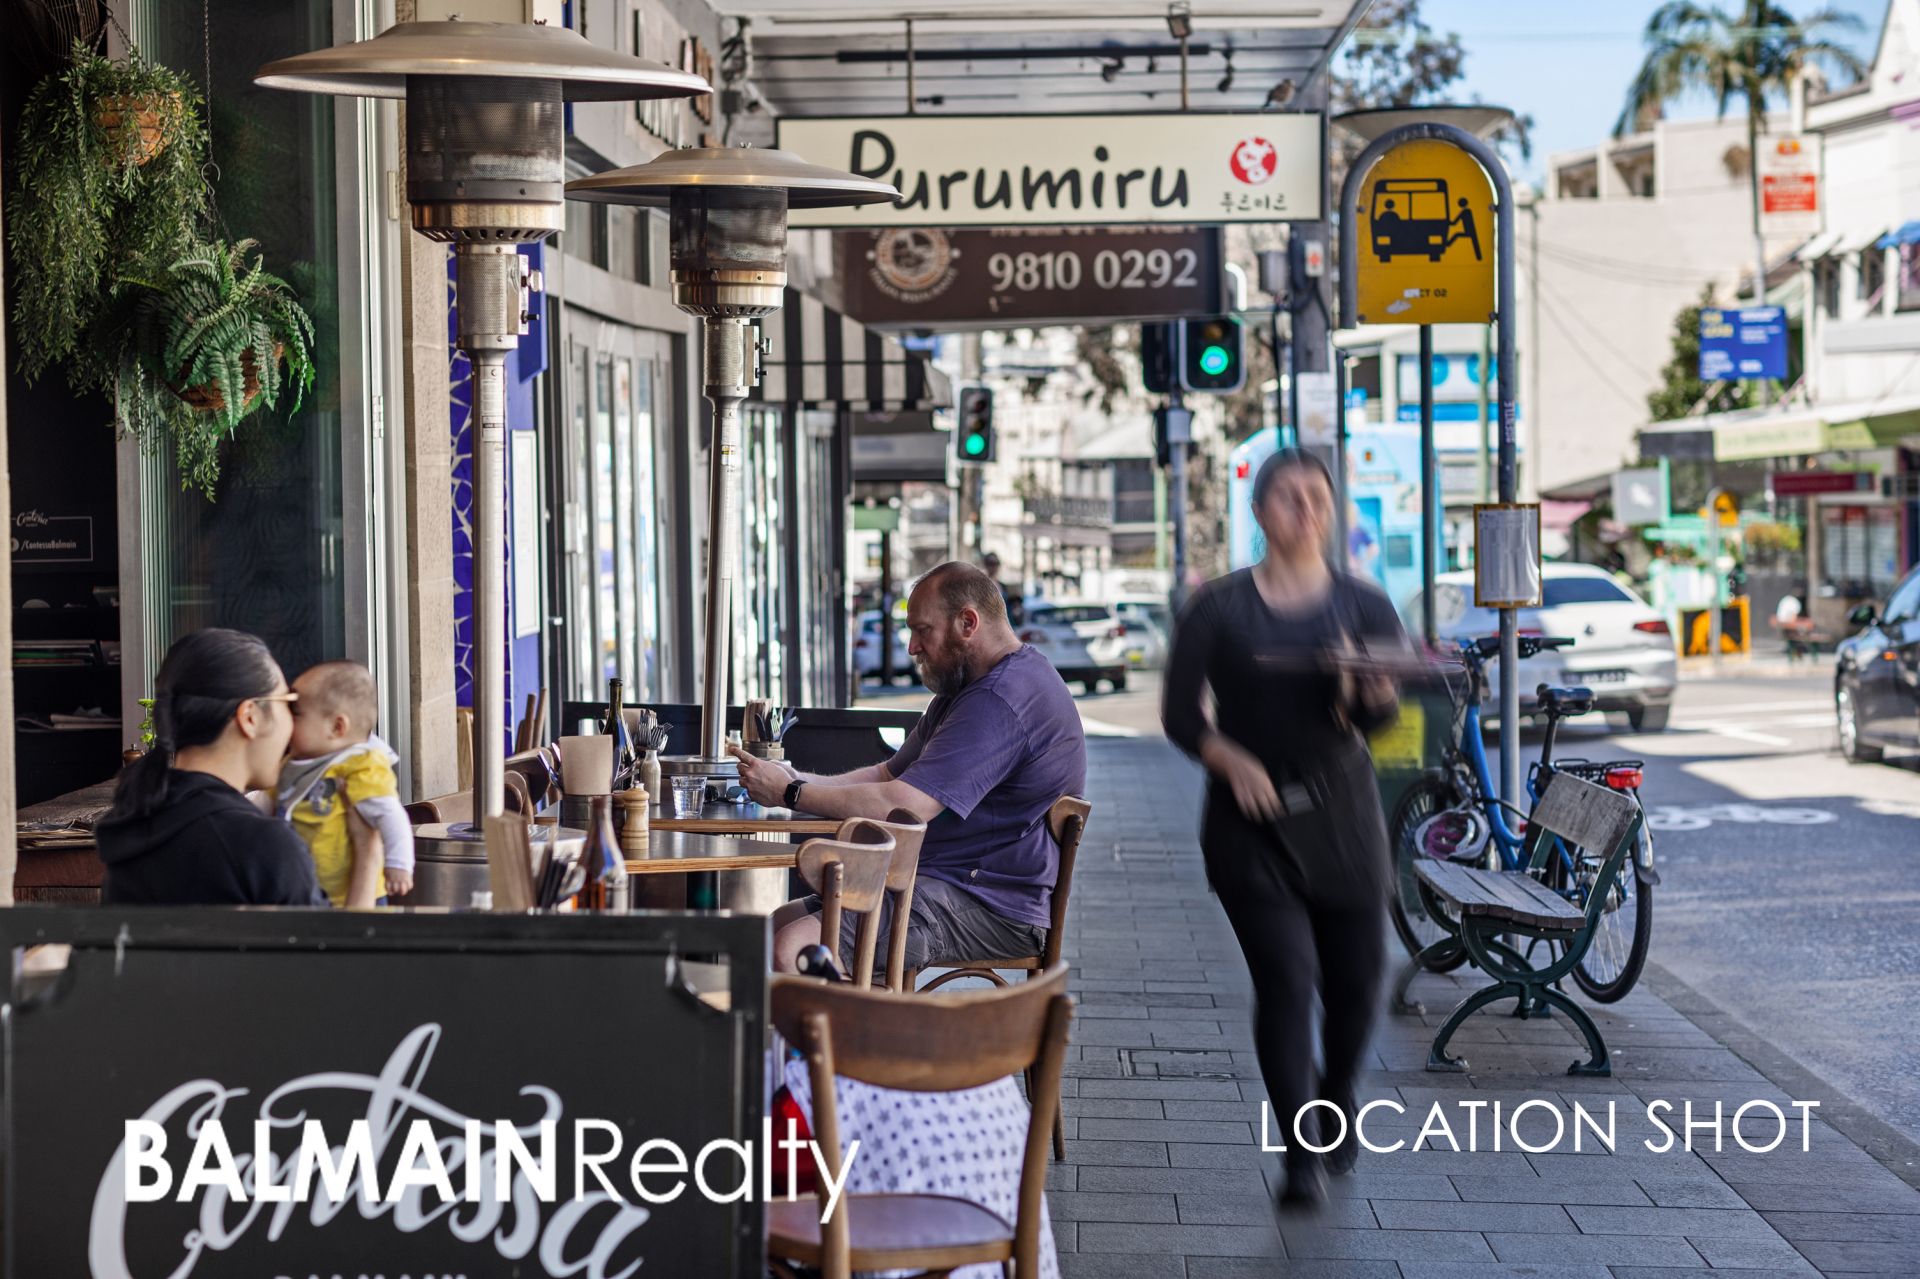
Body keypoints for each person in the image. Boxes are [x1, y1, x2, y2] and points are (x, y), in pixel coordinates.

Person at [1160, 449, 1410, 1211]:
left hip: (1344, 815)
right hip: (1251, 823)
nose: (1306, 509)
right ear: (1261, 511)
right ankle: (1300, 1155)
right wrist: (1226, 757)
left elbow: (1381, 720)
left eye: (1318, 497)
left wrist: (1372, 695)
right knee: (1287, 982)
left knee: (1359, 983)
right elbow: (1179, 713)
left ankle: (1337, 1095)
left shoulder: (1366, 605)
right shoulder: (1219, 607)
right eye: (1290, 497)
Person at [731, 562, 1086, 977]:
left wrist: (790, 795)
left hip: (990, 903)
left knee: (792, 949)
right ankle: (845, 1009)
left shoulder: (1000, 699)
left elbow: (903, 806)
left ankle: (854, 1020)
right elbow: (887, 776)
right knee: (778, 926)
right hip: (940, 880)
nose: (913, 647)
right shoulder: (967, 689)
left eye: (922, 630)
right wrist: (795, 780)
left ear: (967, 623)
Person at [96, 628, 328, 907]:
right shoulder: (263, 844)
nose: (292, 725)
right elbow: (333, 936)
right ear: (250, 717)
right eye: (288, 704)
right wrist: (368, 851)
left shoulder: (130, 827)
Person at [277, 661, 415, 907]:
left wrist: (399, 864)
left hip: (352, 892)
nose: (286, 720)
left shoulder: (360, 765)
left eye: (295, 712)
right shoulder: (295, 762)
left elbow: (390, 814)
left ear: (337, 727)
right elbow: (267, 801)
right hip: (309, 889)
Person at [981, 551, 1024, 626]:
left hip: (1005, 625)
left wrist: (1016, 608)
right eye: (990, 563)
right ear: (985, 565)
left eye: (996, 563)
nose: (993, 567)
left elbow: (1010, 608)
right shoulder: (980, 585)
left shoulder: (1003, 586)